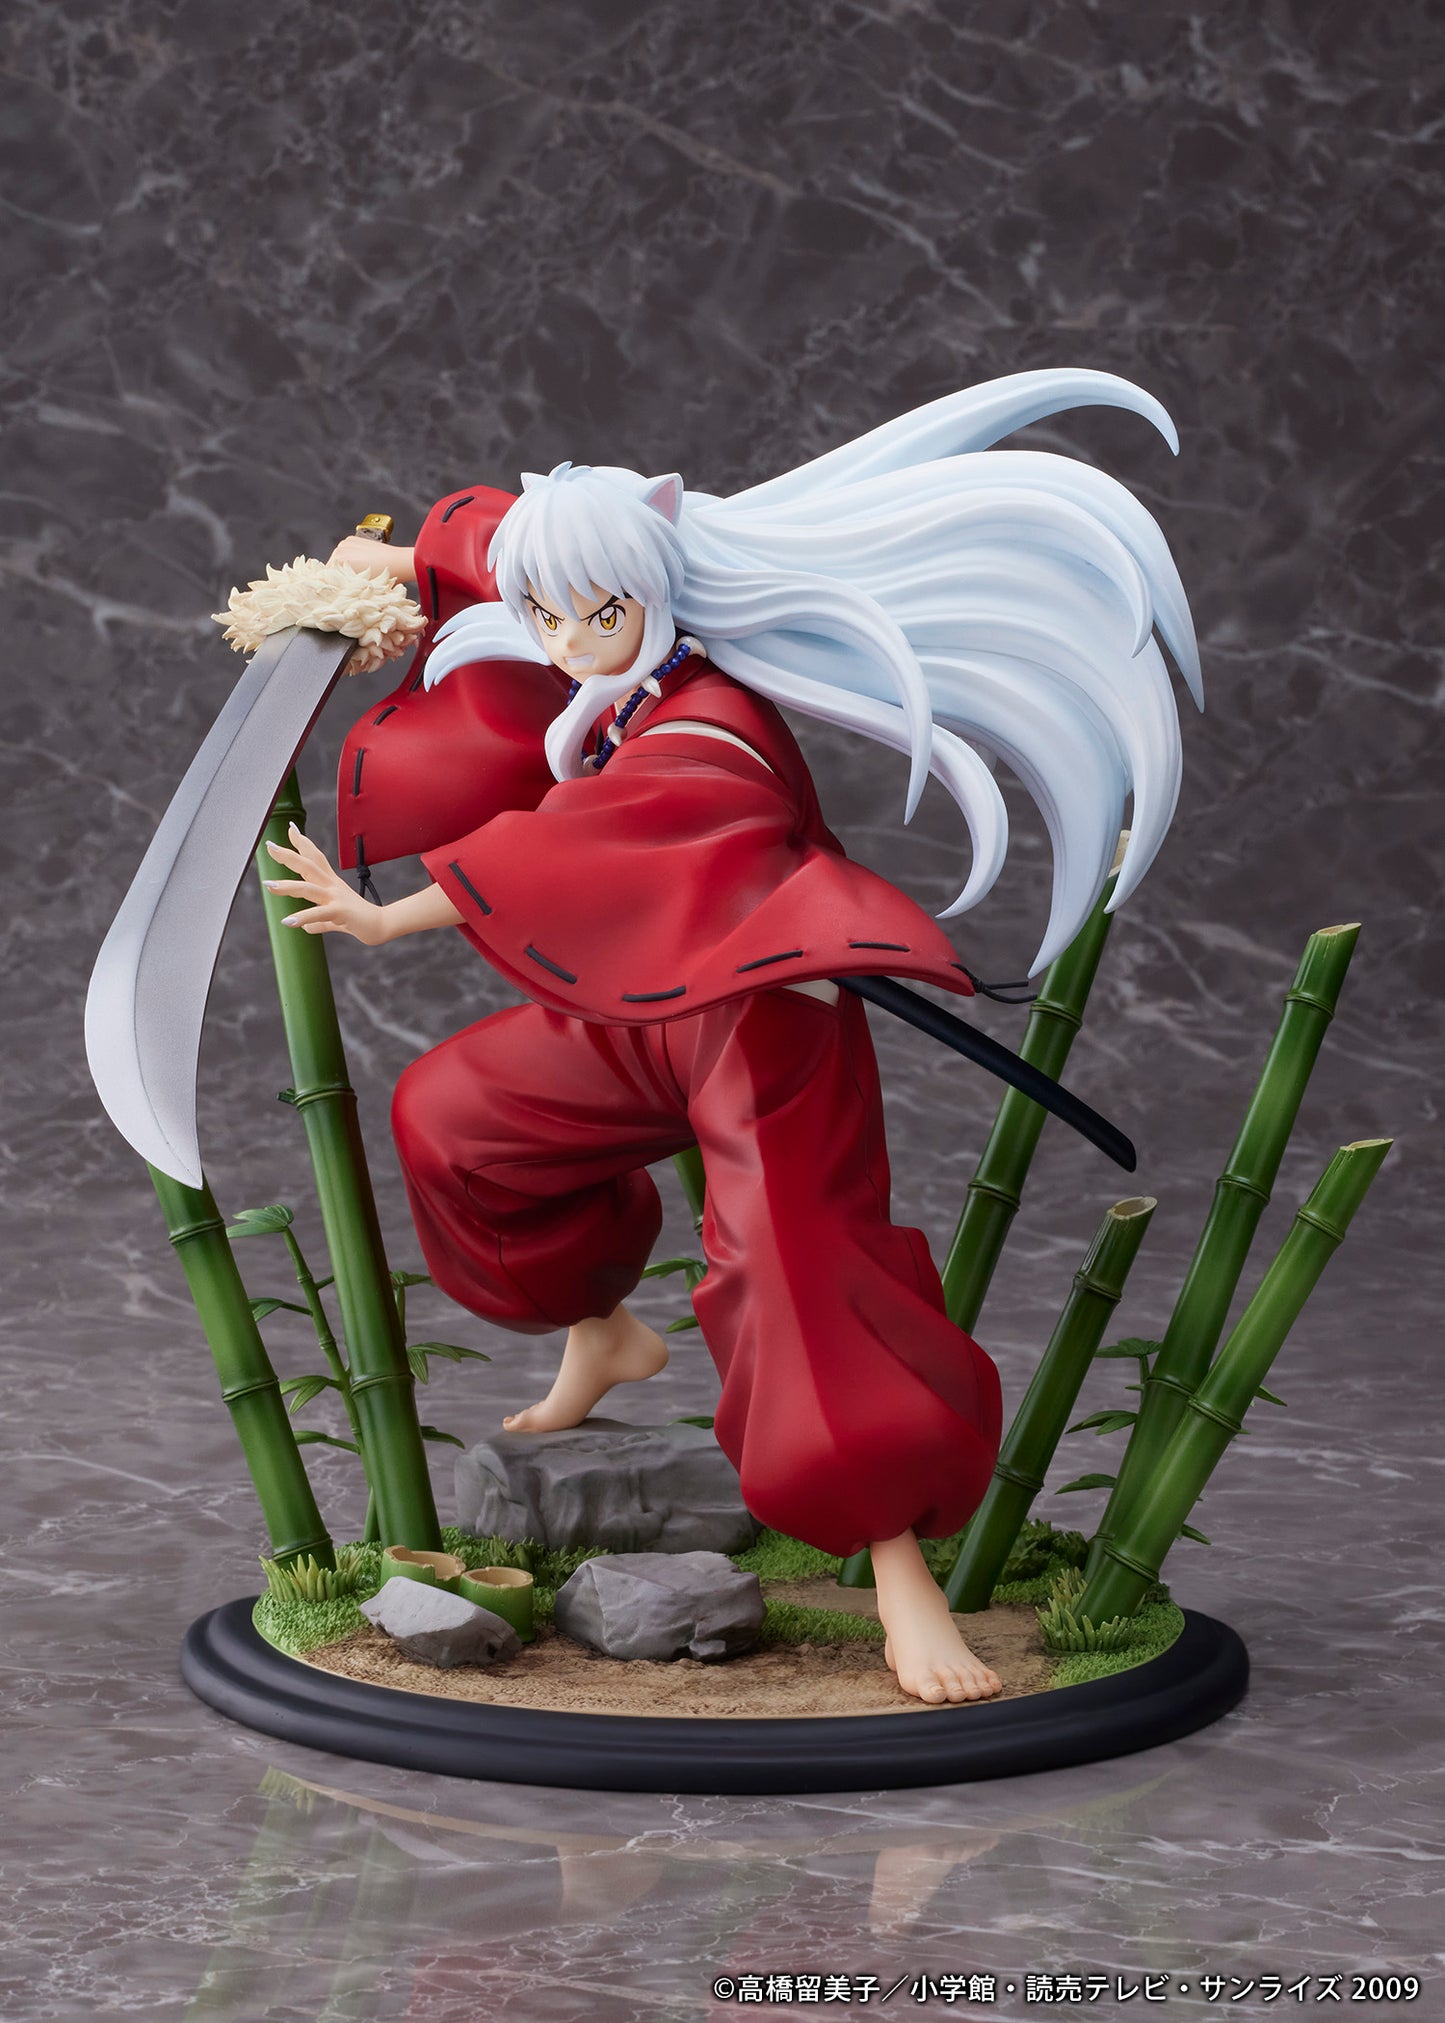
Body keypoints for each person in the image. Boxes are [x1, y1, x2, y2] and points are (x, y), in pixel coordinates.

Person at [262, 368, 1200, 1705]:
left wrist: (383, 915)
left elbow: (582, 842)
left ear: (661, 590)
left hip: (763, 1024)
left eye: (601, 613)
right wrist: (404, 562)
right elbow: (510, 543)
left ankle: (899, 1575)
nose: (569, 639)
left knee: (793, 1273)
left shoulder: (714, 727)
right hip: (643, 1010)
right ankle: (601, 1326)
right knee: (457, 1121)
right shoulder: (598, 640)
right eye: (546, 614)